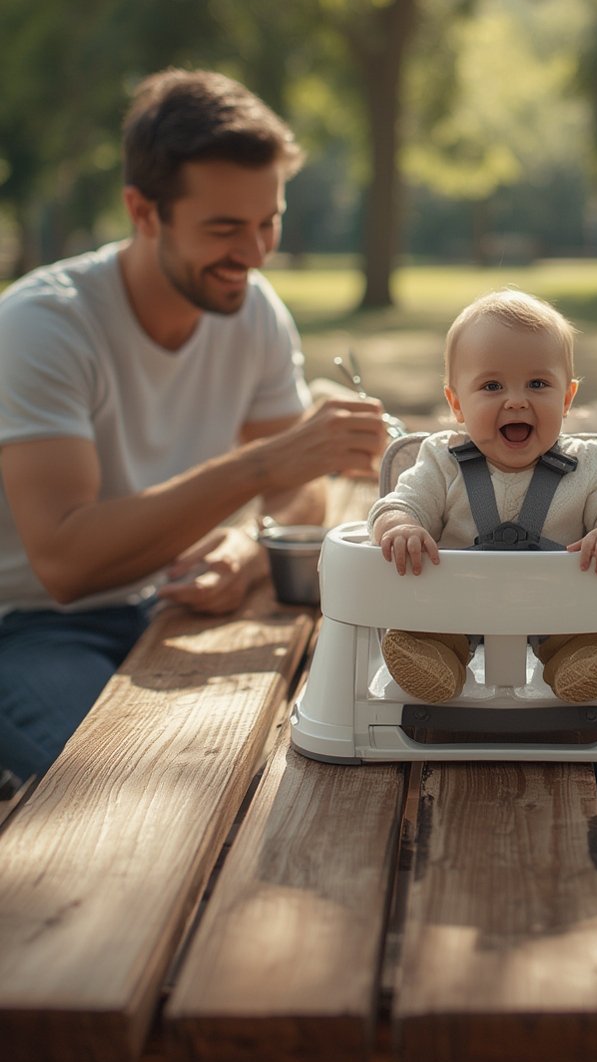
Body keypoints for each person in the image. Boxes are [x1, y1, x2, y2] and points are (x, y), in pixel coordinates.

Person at [0, 67, 388, 791]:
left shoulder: (252, 308)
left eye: (267, 221)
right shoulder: (43, 326)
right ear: (142, 211)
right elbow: (64, 563)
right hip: (30, 628)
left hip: (171, 604)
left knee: (324, 745)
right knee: (139, 788)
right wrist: (261, 469)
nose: (255, 253)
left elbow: (298, 500)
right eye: (223, 229)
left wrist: (247, 547)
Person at [368, 289, 597, 704]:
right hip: (454, 610)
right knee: (424, 629)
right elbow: (397, 504)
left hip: (562, 611)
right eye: (492, 385)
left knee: (589, 633)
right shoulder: (442, 461)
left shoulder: (590, 463)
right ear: (457, 403)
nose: (516, 400)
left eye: (538, 384)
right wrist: (400, 527)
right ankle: (433, 661)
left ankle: (577, 662)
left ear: (567, 398)